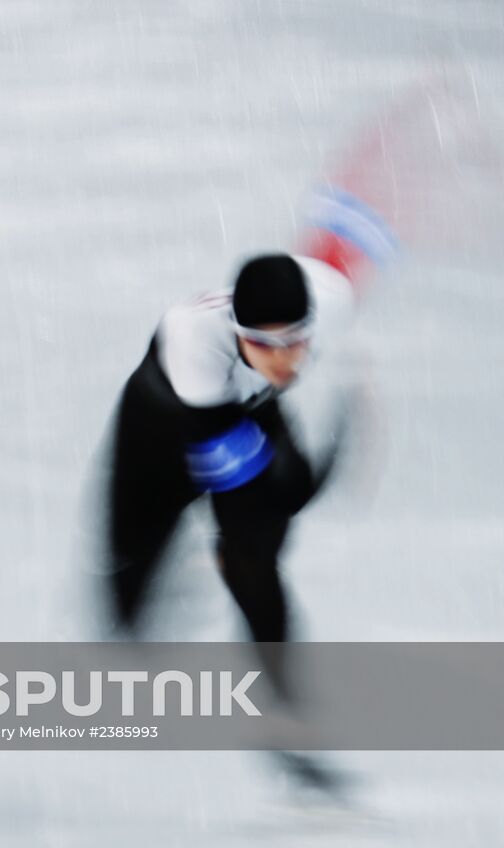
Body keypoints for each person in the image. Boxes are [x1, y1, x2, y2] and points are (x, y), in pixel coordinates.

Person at [103, 251, 360, 789]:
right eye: (264, 344)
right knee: (125, 593)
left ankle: (284, 714)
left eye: (296, 339)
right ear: (238, 333)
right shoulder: (195, 347)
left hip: (244, 408)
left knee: (255, 568)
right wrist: (312, 473)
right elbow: (261, 477)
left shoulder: (328, 299)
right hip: (162, 433)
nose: (285, 359)